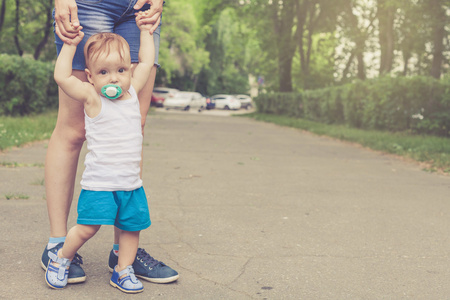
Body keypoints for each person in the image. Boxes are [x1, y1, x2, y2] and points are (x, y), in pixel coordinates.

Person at [41, 0, 178, 285]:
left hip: (140, 8)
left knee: (136, 123)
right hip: (89, 3)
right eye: (103, 73)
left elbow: (145, 61)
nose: (114, 78)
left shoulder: (132, 86)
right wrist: (70, 45)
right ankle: (59, 249)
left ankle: (123, 263)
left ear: (129, 72)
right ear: (91, 78)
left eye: (120, 71)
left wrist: (146, 32)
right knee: (73, 129)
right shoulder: (91, 95)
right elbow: (62, 77)